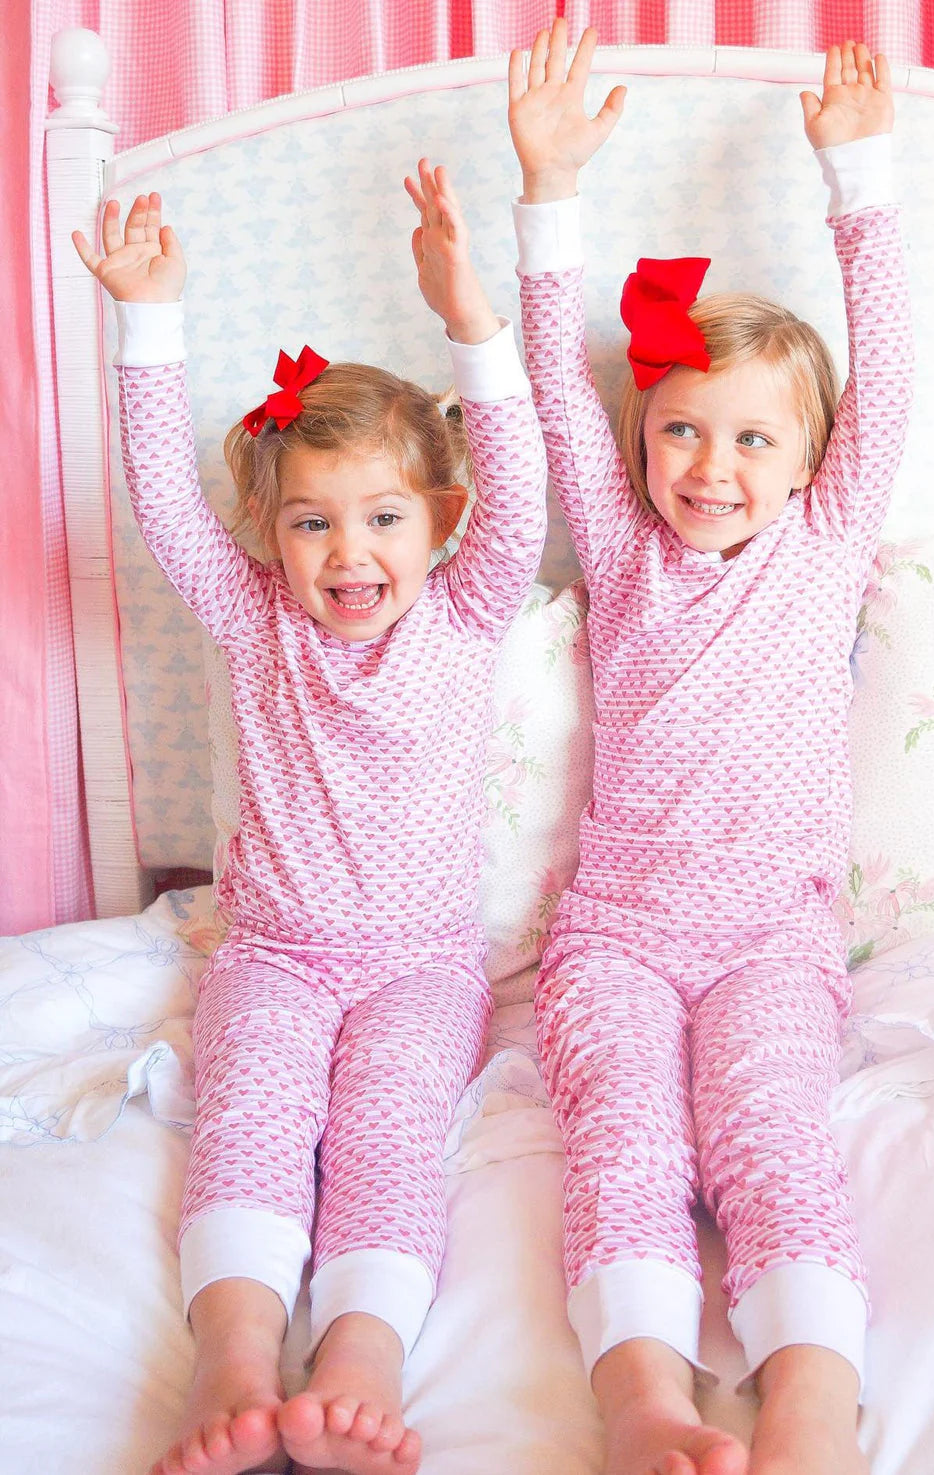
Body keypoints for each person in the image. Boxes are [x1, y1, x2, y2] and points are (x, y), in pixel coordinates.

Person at [73, 159, 546, 1475]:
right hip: (272, 954)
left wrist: (474, 322)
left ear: (440, 522)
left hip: (421, 967)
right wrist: (147, 322)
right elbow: (167, 509)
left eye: (384, 518)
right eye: (314, 523)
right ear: (270, 537)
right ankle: (229, 1366)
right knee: (253, 1122)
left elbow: (524, 498)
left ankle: (358, 1368)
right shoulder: (252, 617)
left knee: (394, 1133)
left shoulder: (464, 609)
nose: (350, 553)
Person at [507, 25, 912, 1475]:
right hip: (614, 932)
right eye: (682, 430)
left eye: (750, 441)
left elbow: (894, 372)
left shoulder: (825, 543)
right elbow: (557, 388)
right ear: (643, 445)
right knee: (622, 1139)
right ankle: (642, 1401)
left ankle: (808, 1403)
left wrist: (853, 173)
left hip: (771, 934)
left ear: (810, 462)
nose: (712, 468)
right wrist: (546, 188)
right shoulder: (625, 555)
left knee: (772, 1133)